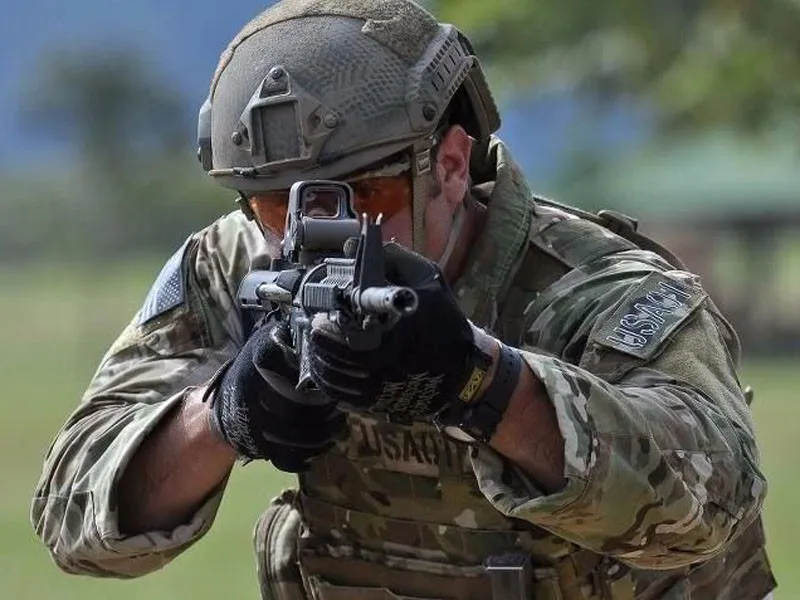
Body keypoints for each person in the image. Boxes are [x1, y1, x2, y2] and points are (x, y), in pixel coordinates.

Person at [31, 1, 776, 598]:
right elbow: (74, 523)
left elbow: (707, 508)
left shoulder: (598, 288)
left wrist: (483, 383)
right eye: (269, 206)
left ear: (452, 165)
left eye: (365, 195)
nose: (313, 236)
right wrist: (225, 415)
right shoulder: (236, 265)